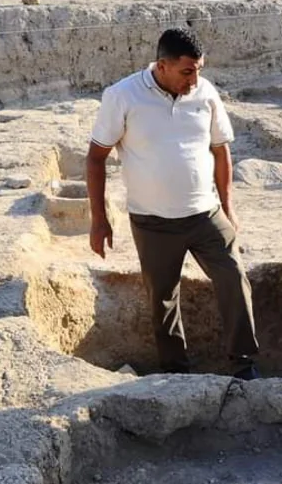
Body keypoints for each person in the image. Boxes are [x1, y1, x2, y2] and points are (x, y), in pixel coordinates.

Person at [86, 27, 260, 380]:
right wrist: (99, 219)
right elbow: (95, 157)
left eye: (198, 69)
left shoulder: (205, 92)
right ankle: (176, 375)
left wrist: (228, 207)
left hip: (205, 214)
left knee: (234, 277)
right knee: (162, 298)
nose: (194, 80)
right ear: (162, 65)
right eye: (187, 71)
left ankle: (244, 366)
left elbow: (221, 151)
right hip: (152, 222)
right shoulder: (122, 96)